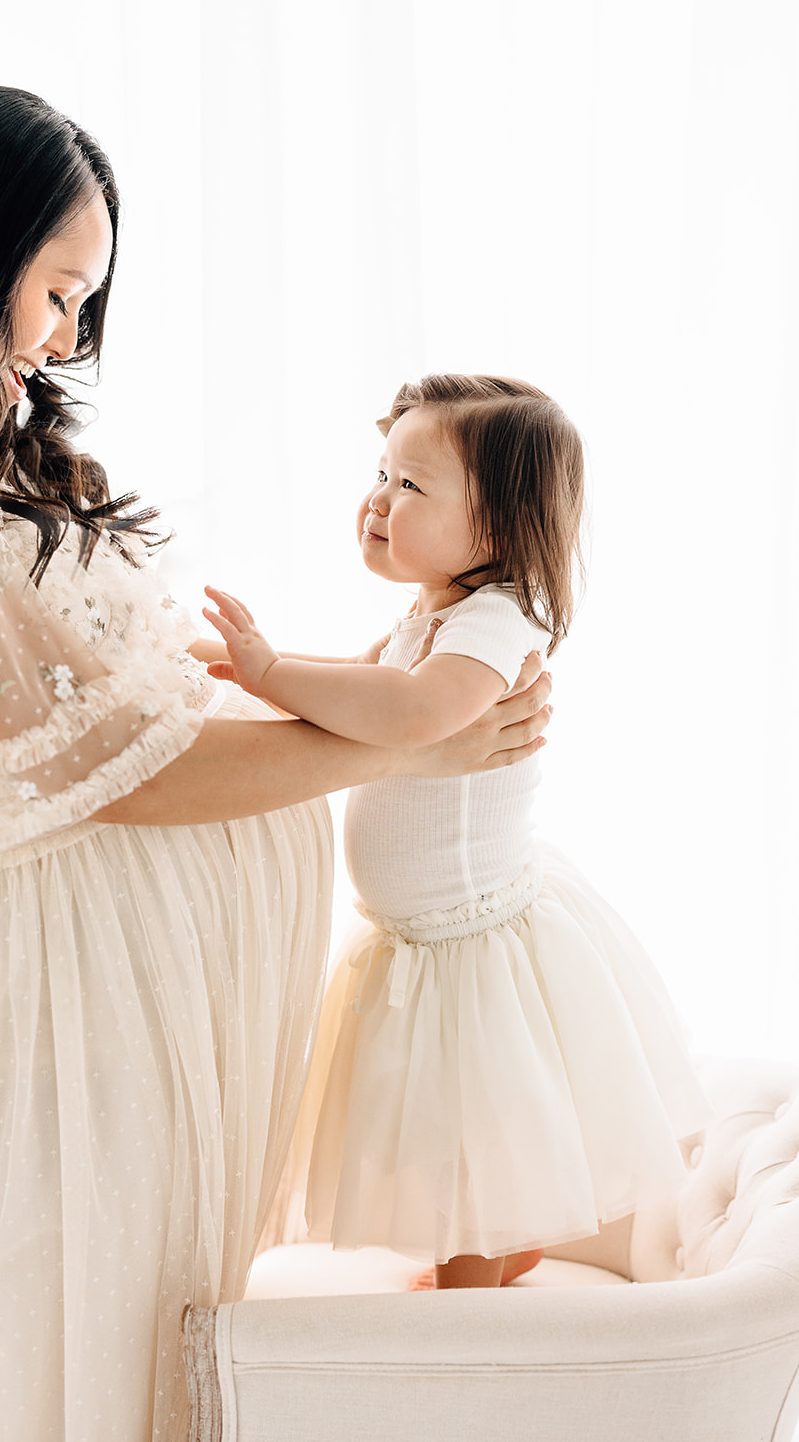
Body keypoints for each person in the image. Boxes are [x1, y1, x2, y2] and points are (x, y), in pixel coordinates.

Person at [0, 92, 552, 1437]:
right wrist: (405, 745)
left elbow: (128, 724)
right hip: (44, 1039)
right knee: (53, 1386)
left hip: (104, 1037)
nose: (62, 338)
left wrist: (412, 700)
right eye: (57, 294)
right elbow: (122, 774)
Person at [204, 373, 709, 1290]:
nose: (378, 499)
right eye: (381, 472)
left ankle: (469, 1321)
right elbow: (357, 678)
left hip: (470, 944)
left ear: (500, 530)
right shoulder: (429, 612)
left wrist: (269, 671)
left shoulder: (494, 621)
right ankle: (488, 1257)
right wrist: (235, 665)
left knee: (466, 1135)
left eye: (411, 486)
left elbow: (410, 713)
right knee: (436, 1135)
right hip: (424, 937)